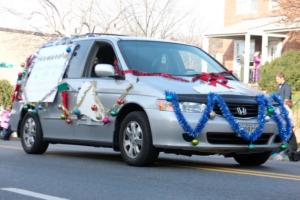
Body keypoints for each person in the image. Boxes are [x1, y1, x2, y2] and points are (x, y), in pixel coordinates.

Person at [275, 72, 299, 161]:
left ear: (281, 78)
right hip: (280, 111)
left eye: (277, 79)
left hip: (285, 110)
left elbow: (287, 100)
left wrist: (283, 106)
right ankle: (285, 149)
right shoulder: (279, 87)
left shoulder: (286, 87)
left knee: (288, 133)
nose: (276, 81)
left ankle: (291, 150)